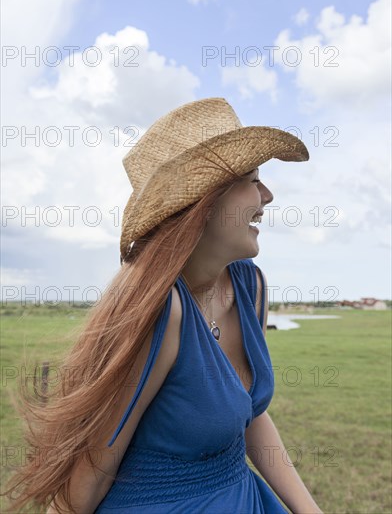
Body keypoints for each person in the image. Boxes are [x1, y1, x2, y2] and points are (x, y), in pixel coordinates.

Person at [2, 97, 323, 513]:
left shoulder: (250, 287)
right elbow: (90, 477)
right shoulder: (161, 311)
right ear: (205, 203)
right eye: (252, 178)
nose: (268, 195)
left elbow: (248, 414)